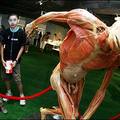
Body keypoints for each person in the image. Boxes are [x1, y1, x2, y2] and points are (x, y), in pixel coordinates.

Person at [0, 14, 26, 105]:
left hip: (16, 62)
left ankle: (22, 96)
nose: (12, 22)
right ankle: (9, 92)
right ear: (8, 21)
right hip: (6, 61)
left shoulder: (22, 33)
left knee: (17, 79)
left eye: (14, 20)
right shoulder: (5, 32)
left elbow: (22, 47)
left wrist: (16, 60)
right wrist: (2, 59)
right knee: (6, 78)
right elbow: (2, 46)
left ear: (18, 20)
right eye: (10, 20)